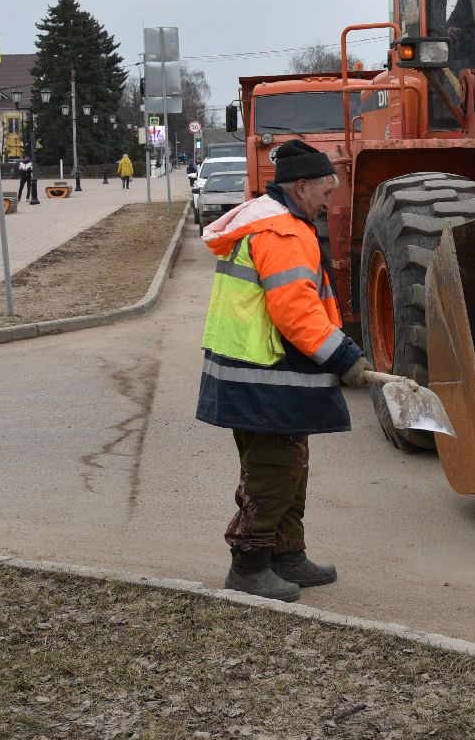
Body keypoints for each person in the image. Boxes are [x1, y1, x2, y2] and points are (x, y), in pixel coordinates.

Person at [196, 138, 373, 602]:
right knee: (274, 471)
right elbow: (297, 313)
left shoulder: (268, 221)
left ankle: (287, 555)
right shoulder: (284, 233)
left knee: (290, 466)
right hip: (265, 376)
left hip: (255, 372)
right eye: (324, 191)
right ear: (300, 187)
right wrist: (346, 358)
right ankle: (250, 567)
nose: (328, 200)